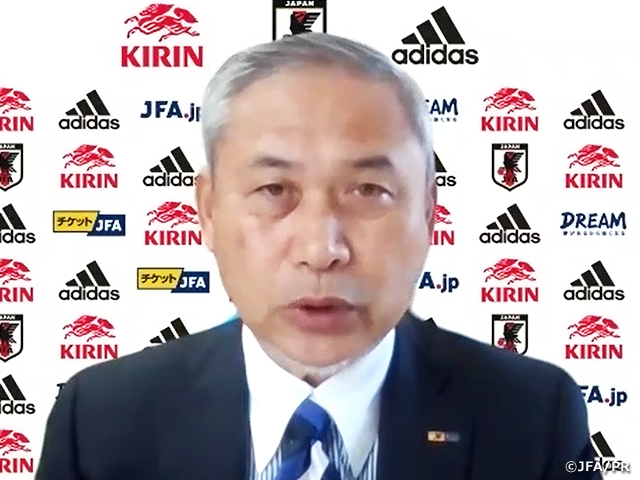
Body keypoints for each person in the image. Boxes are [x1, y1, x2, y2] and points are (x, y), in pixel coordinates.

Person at [36, 33, 599, 480]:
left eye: (368, 191)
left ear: (429, 213)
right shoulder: (102, 422)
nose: (321, 251)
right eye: (273, 190)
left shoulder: (534, 418)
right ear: (206, 212)